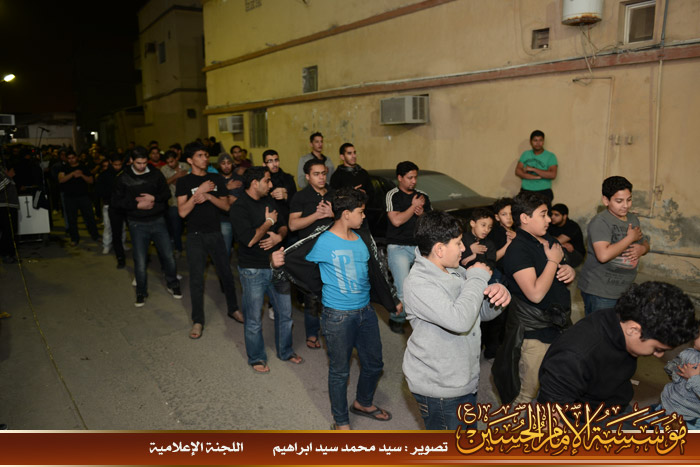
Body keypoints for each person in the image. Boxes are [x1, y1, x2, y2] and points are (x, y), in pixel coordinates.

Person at [273, 187, 402, 430]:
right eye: (361, 212)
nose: (364, 216)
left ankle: (363, 403)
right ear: (346, 214)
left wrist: (390, 298)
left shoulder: (362, 238)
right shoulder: (322, 240)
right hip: (337, 317)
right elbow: (292, 260)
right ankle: (341, 421)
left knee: (374, 364)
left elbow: (377, 271)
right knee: (340, 371)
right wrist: (276, 262)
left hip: (366, 313)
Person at [403, 210, 510, 430]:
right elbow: (460, 320)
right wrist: (477, 277)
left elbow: (477, 313)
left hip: (463, 380)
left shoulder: (455, 271)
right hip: (441, 389)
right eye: (459, 243)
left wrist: (498, 298)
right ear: (439, 249)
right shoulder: (419, 283)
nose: (463, 248)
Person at [538, 282, 698, 416]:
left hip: (614, 403)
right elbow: (549, 417)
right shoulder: (575, 357)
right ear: (634, 330)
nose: (659, 355)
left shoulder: (622, 319)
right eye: (657, 348)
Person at [491, 192, 575, 405]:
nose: (549, 220)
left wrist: (569, 270)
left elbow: (559, 271)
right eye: (543, 214)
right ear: (525, 218)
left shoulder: (549, 240)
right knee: (526, 394)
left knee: (554, 386)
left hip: (558, 326)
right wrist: (553, 262)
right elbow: (535, 294)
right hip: (534, 332)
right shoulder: (517, 249)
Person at [230, 166, 301, 373]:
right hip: (253, 270)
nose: (271, 185)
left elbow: (284, 225)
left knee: (285, 314)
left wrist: (279, 236)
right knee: (253, 319)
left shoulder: (268, 200)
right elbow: (250, 240)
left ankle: (285, 351)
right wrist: (268, 222)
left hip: (277, 266)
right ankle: (257, 358)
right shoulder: (239, 207)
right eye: (267, 181)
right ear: (255, 183)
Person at [176, 142, 242, 339]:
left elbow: (226, 206)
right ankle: (198, 321)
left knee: (226, 274)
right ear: (190, 160)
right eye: (200, 155)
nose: (205, 158)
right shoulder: (184, 182)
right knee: (196, 279)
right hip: (195, 235)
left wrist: (208, 195)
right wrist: (198, 192)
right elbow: (182, 212)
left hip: (215, 232)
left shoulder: (216, 178)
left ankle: (233, 309)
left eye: (206, 155)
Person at [111, 146, 181, 307]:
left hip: (158, 221)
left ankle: (173, 284)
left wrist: (154, 198)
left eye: (144, 162)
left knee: (168, 256)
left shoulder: (156, 174)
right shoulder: (123, 177)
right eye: (138, 163)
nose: (142, 166)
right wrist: (136, 205)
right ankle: (141, 291)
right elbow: (116, 201)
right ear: (131, 161)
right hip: (137, 223)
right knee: (140, 260)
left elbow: (166, 194)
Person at [578, 176, 649, 316]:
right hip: (601, 291)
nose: (626, 205)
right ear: (606, 200)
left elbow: (644, 241)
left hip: (623, 289)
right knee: (601, 328)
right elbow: (603, 255)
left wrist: (643, 249)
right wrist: (630, 238)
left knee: (618, 327)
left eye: (629, 200)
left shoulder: (633, 219)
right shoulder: (600, 222)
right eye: (619, 201)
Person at [288, 158, 335, 348]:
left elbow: (347, 220)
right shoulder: (301, 197)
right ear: (307, 177)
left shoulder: (334, 194)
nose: (321, 177)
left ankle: (332, 332)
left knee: (332, 294)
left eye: (323, 173)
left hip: (333, 251)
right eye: (316, 174)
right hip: (311, 252)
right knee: (312, 295)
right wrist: (316, 215)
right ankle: (312, 333)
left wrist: (332, 214)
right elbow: (293, 225)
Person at [385, 161, 431, 334]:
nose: (413, 181)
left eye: (415, 177)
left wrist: (422, 214)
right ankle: (397, 318)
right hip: (399, 248)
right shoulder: (393, 195)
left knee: (423, 287)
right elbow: (396, 220)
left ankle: (422, 320)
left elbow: (430, 223)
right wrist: (413, 207)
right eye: (409, 177)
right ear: (400, 178)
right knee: (402, 288)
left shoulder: (423, 196)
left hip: (420, 248)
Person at [660, 331, 700, 429]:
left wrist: (693, 377)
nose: (696, 335)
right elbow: (674, 364)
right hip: (668, 401)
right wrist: (673, 368)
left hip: (690, 415)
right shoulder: (689, 353)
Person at [58, 151, 100, 246]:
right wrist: (72, 174)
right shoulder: (64, 168)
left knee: (89, 217)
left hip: (83, 196)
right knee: (72, 219)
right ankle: (74, 239)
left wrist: (81, 175)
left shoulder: (83, 167)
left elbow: (91, 180)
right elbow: (61, 180)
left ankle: (95, 236)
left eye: (73, 157)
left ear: (76, 157)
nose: (71, 160)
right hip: (69, 197)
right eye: (69, 158)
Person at [94, 155, 127, 256]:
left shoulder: (124, 173)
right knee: (108, 226)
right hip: (108, 204)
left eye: (119, 164)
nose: (117, 167)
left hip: (122, 204)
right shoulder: (104, 175)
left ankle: (122, 243)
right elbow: (99, 191)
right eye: (115, 165)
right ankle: (106, 245)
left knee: (122, 226)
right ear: (110, 163)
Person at [514, 130, 557, 203]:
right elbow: (518, 171)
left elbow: (553, 174)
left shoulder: (550, 156)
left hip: (544, 192)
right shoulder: (525, 154)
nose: (538, 143)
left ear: (543, 141)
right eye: (535, 140)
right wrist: (538, 177)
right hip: (526, 191)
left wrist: (533, 169)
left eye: (540, 140)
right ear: (531, 142)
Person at [160, 150, 189, 258]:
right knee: (176, 228)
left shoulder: (185, 166)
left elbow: (189, 180)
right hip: (173, 202)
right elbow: (162, 184)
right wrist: (176, 176)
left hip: (188, 201)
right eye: (168, 162)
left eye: (172, 161)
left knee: (191, 227)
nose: (170, 164)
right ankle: (178, 248)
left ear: (176, 158)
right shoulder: (164, 169)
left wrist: (174, 180)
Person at [216, 152, 241, 254]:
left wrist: (237, 200)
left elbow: (247, 197)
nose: (226, 166)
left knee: (243, 248)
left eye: (229, 163)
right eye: (223, 163)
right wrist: (227, 187)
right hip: (223, 218)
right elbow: (211, 196)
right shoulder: (215, 179)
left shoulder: (239, 179)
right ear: (219, 165)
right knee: (225, 249)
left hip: (239, 217)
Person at [547, 203, 585, 268]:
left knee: (559, 250)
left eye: (556, 215)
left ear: (564, 216)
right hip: (561, 248)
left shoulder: (572, 226)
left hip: (576, 253)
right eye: (551, 214)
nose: (552, 217)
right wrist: (561, 243)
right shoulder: (551, 225)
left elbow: (556, 241)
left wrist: (557, 242)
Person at [0, 163, 19, 264]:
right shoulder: (3, 174)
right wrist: (8, 177)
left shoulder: (4, 173)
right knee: (7, 231)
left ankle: (11, 253)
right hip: (4, 206)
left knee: (12, 231)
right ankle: (5, 254)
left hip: (12, 206)